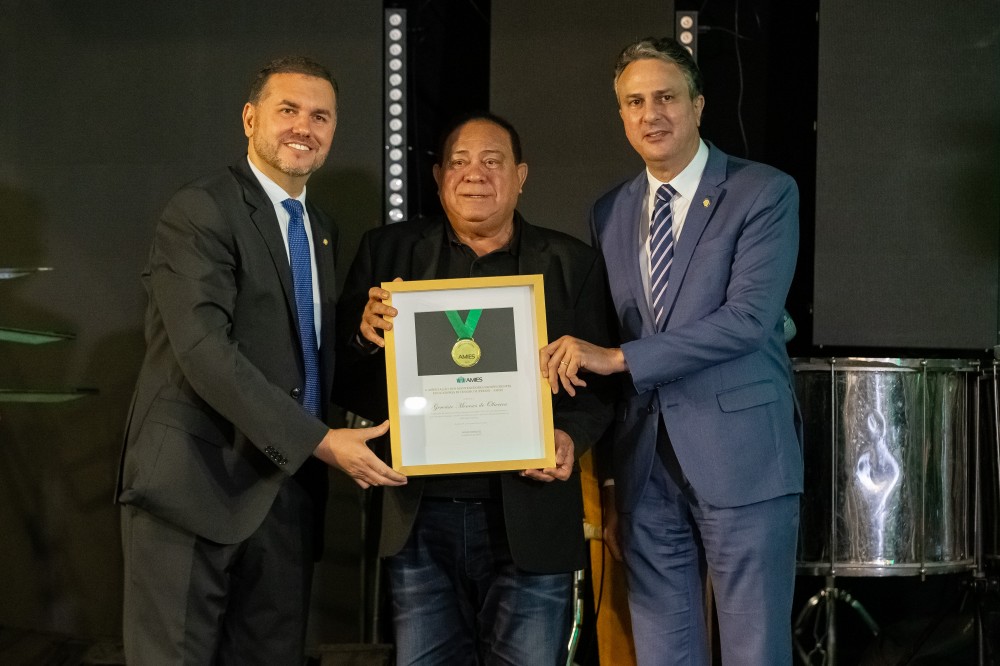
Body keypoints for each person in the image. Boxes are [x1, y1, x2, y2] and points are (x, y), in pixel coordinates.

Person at [116, 55, 405, 665]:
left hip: (285, 498)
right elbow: (204, 351)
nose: (304, 127)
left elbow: (297, 351)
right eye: (288, 110)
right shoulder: (201, 210)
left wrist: (359, 338)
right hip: (193, 489)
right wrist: (319, 442)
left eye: (321, 116)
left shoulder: (320, 227)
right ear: (250, 119)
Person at [540, 37, 803, 665]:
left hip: (742, 460)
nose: (651, 114)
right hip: (644, 469)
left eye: (666, 98)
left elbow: (747, 321)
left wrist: (619, 358)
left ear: (698, 104)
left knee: (755, 653)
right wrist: (609, 473)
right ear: (621, 115)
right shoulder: (609, 209)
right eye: (634, 102)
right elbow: (606, 321)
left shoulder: (762, 191)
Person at [335, 112, 613, 665]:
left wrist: (567, 437)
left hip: (530, 519)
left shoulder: (572, 264)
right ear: (439, 177)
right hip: (419, 521)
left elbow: (600, 388)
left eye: (492, 161)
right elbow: (345, 381)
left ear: (521, 175)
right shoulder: (387, 254)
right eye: (459, 162)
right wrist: (366, 339)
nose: (474, 174)